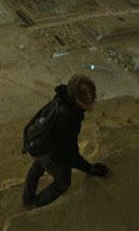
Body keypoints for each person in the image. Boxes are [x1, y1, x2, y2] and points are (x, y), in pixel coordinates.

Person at [22, 74, 109, 208]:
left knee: (38, 166)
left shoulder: (61, 98)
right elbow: (71, 154)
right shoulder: (68, 118)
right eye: (89, 99)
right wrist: (90, 169)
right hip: (52, 154)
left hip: (39, 144)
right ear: (78, 100)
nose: (93, 101)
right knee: (63, 182)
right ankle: (34, 204)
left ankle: (27, 198)